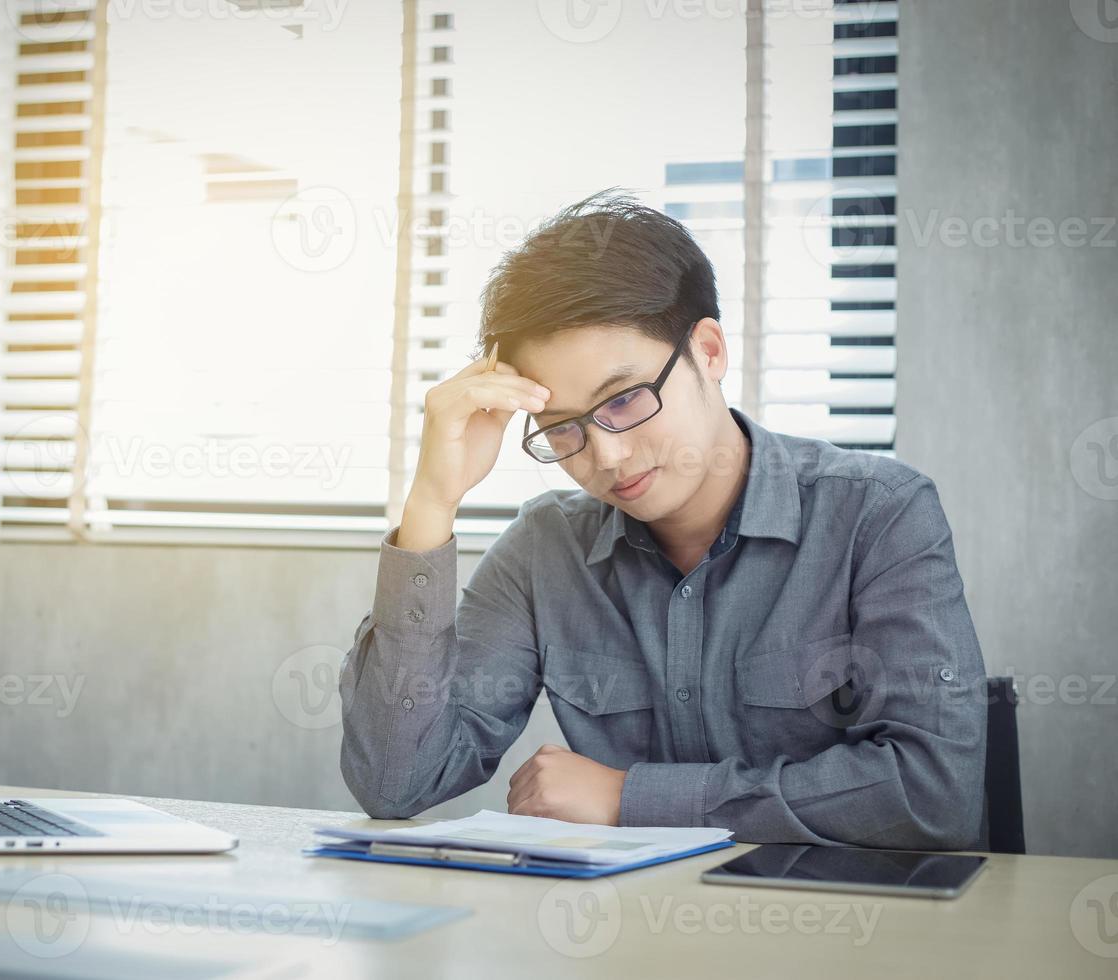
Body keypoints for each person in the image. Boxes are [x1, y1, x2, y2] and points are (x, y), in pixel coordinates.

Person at [338, 190, 987, 848]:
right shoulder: (544, 549)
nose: (606, 455)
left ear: (708, 352)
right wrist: (430, 502)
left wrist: (629, 798)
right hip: (625, 936)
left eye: (624, 400)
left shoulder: (878, 515)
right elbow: (398, 783)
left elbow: (932, 794)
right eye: (561, 429)